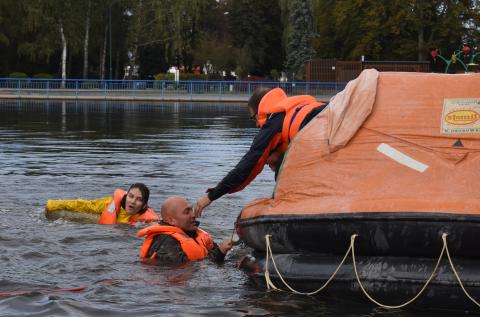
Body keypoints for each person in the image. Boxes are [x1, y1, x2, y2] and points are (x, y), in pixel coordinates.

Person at [195, 87, 327, 216]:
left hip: (324, 137)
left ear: (260, 111)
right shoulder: (297, 110)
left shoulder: (274, 121)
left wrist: (210, 196)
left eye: (254, 118)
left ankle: (282, 215)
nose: (257, 125)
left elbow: (247, 166)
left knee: (284, 168)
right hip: (333, 126)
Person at [138, 196, 233, 265]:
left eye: (191, 210)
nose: (193, 215)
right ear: (171, 220)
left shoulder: (193, 233)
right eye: (187, 212)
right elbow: (185, 267)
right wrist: (221, 251)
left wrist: (223, 250)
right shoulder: (166, 241)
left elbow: (213, 253)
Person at [45, 183, 159, 225]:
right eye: (131, 196)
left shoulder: (147, 221)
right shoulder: (110, 203)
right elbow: (82, 205)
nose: (133, 201)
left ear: (144, 205)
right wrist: (53, 205)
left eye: (139, 199)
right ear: (126, 196)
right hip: (98, 221)